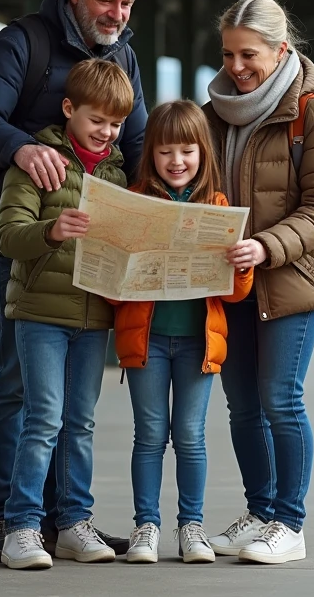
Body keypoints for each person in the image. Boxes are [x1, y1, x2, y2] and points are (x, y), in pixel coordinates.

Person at [0, 0, 147, 560]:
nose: (116, 13)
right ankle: (7, 518)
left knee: (73, 403)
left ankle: (67, 520)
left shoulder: (124, 57)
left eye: (127, 2)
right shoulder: (21, 44)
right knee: (16, 383)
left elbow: (138, 143)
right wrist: (22, 148)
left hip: (90, 254)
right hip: (21, 242)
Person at [202, 0, 314, 565]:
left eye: (249, 55)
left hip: (291, 280)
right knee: (241, 405)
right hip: (229, 279)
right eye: (228, 54)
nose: (237, 67)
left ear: (281, 50)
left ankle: (289, 523)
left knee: (280, 400)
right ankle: (259, 512)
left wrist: (265, 245)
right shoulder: (212, 113)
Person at [0, 58, 134, 570]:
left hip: (94, 316)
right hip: (40, 313)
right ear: (69, 109)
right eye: (97, 120)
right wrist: (51, 232)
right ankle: (23, 527)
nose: (107, 132)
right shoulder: (36, 162)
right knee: (43, 419)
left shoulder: (119, 172)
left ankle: (74, 522)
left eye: (116, 124)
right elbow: (7, 236)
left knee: (80, 423)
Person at [108, 101, 255, 565]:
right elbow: (113, 294)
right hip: (145, 339)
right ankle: (145, 527)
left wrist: (241, 265)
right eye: (166, 151)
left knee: (191, 436)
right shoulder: (135, 204)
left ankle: (191, 526)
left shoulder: (217, 208)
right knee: (149, 435)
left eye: (187, 150)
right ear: (151, 153)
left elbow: (233, 295)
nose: (177, 161)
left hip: (198, 341)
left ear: (202, 154)